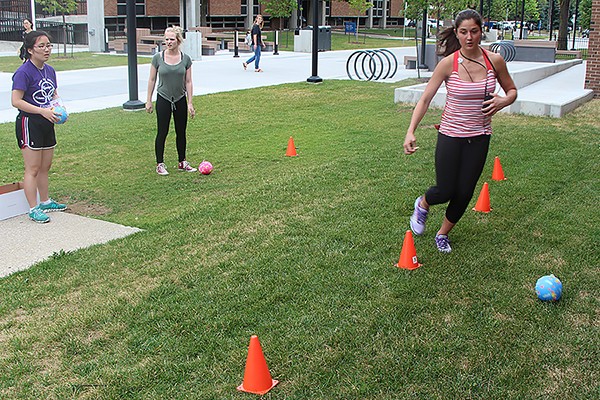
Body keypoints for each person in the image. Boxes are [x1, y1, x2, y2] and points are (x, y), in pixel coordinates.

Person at [403, 9, 517, 253]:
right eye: (463, 32)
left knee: (464, 192)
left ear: (481, 31)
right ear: (457, 33)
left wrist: (502, 102)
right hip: (450, 135)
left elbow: (512, 91)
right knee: (445, 190)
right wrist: (410, 131)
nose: (469, 37)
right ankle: (423, 204)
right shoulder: (448, 64)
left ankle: (442, 233)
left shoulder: (494, 61)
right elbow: (425, 99)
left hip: (479, 136)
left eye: (474, 31)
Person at [11, 30, 68, 223]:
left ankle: (45, 201)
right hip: (30, 123)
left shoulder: (50, 70)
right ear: (30, 50)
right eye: (41, 46)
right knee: (33, 168)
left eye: (49, 45)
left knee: (45, 166)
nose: (46, 50)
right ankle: (33, 208)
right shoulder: (23, 72)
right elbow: (16, 101)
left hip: (47, 121)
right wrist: (41, 111)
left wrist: (58, 107)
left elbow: (52, 94)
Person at [146, 26, 196, 176]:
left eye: (171, 39)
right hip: (163, 98)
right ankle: (160, 164)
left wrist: (190, 102)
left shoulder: (185, 59)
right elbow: (152, 79)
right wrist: (148, 100)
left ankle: (182, 162)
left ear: (178, 40)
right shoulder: (157, 58)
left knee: (181, 132)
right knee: (162, 132)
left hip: (180, 99)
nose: (168, 42)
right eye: (166, 39)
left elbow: (188, 82)